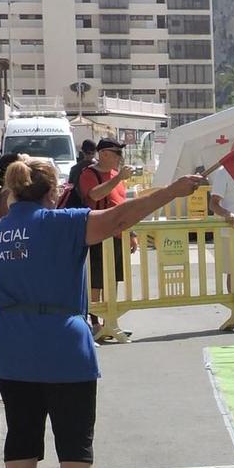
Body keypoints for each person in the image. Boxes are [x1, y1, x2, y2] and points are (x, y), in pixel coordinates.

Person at [0, 157, 208, 468]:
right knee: (73, 432)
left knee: (21, 430)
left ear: (13, 190)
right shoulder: (63, 222)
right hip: (59, 338)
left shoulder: (1, 229)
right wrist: (171, 192)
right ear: (52, 191)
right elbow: (121, 218)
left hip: (8, 339)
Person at [78, 138, 131, 338]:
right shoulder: (89, 174)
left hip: (116, 235)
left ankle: (110, 321)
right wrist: (117, 179)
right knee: (96, 281)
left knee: (113, 279)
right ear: (104, 154)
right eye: (116, 153)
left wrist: (130, 233)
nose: (120, 158)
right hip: (97, 234)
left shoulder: (116, 175)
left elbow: (122, 205)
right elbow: (95, 195)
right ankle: (95, 323)